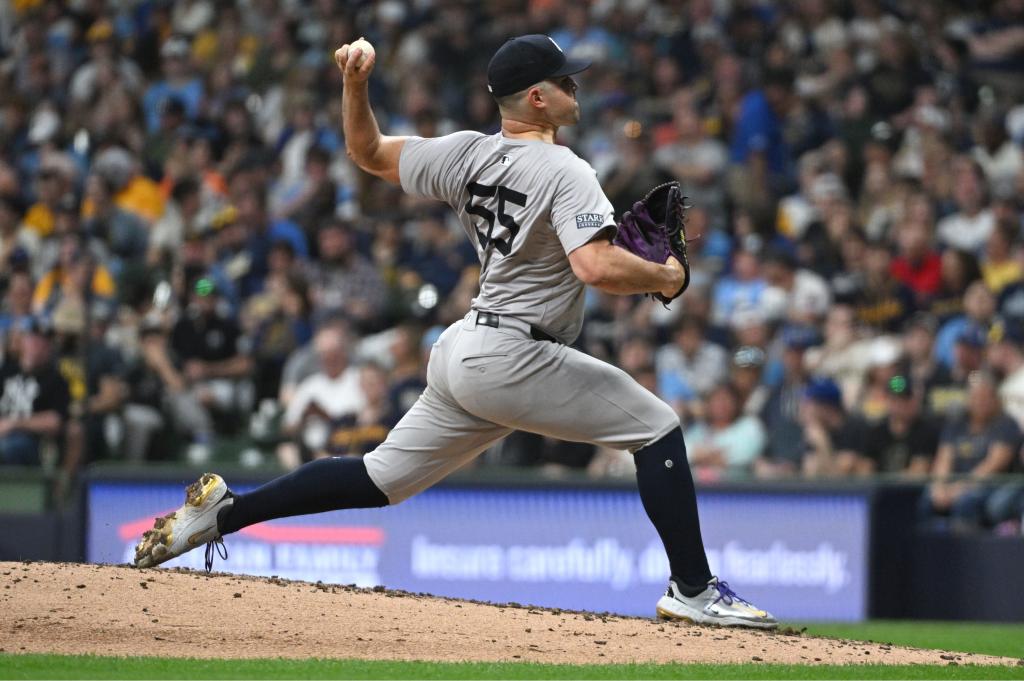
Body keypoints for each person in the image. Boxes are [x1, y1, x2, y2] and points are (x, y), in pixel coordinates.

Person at [133, 34, 776, 629]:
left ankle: (229, 512)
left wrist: (355, 86)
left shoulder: (466, 153)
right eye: (567, 82)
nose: (576, 92)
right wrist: (666, 278)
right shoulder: (566, 168)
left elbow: (366, 152)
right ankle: (693, 589)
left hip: (465, 347)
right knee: (656, 426)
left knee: (379, 478)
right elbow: (596, 266)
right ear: (537, 96)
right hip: (513, 354)